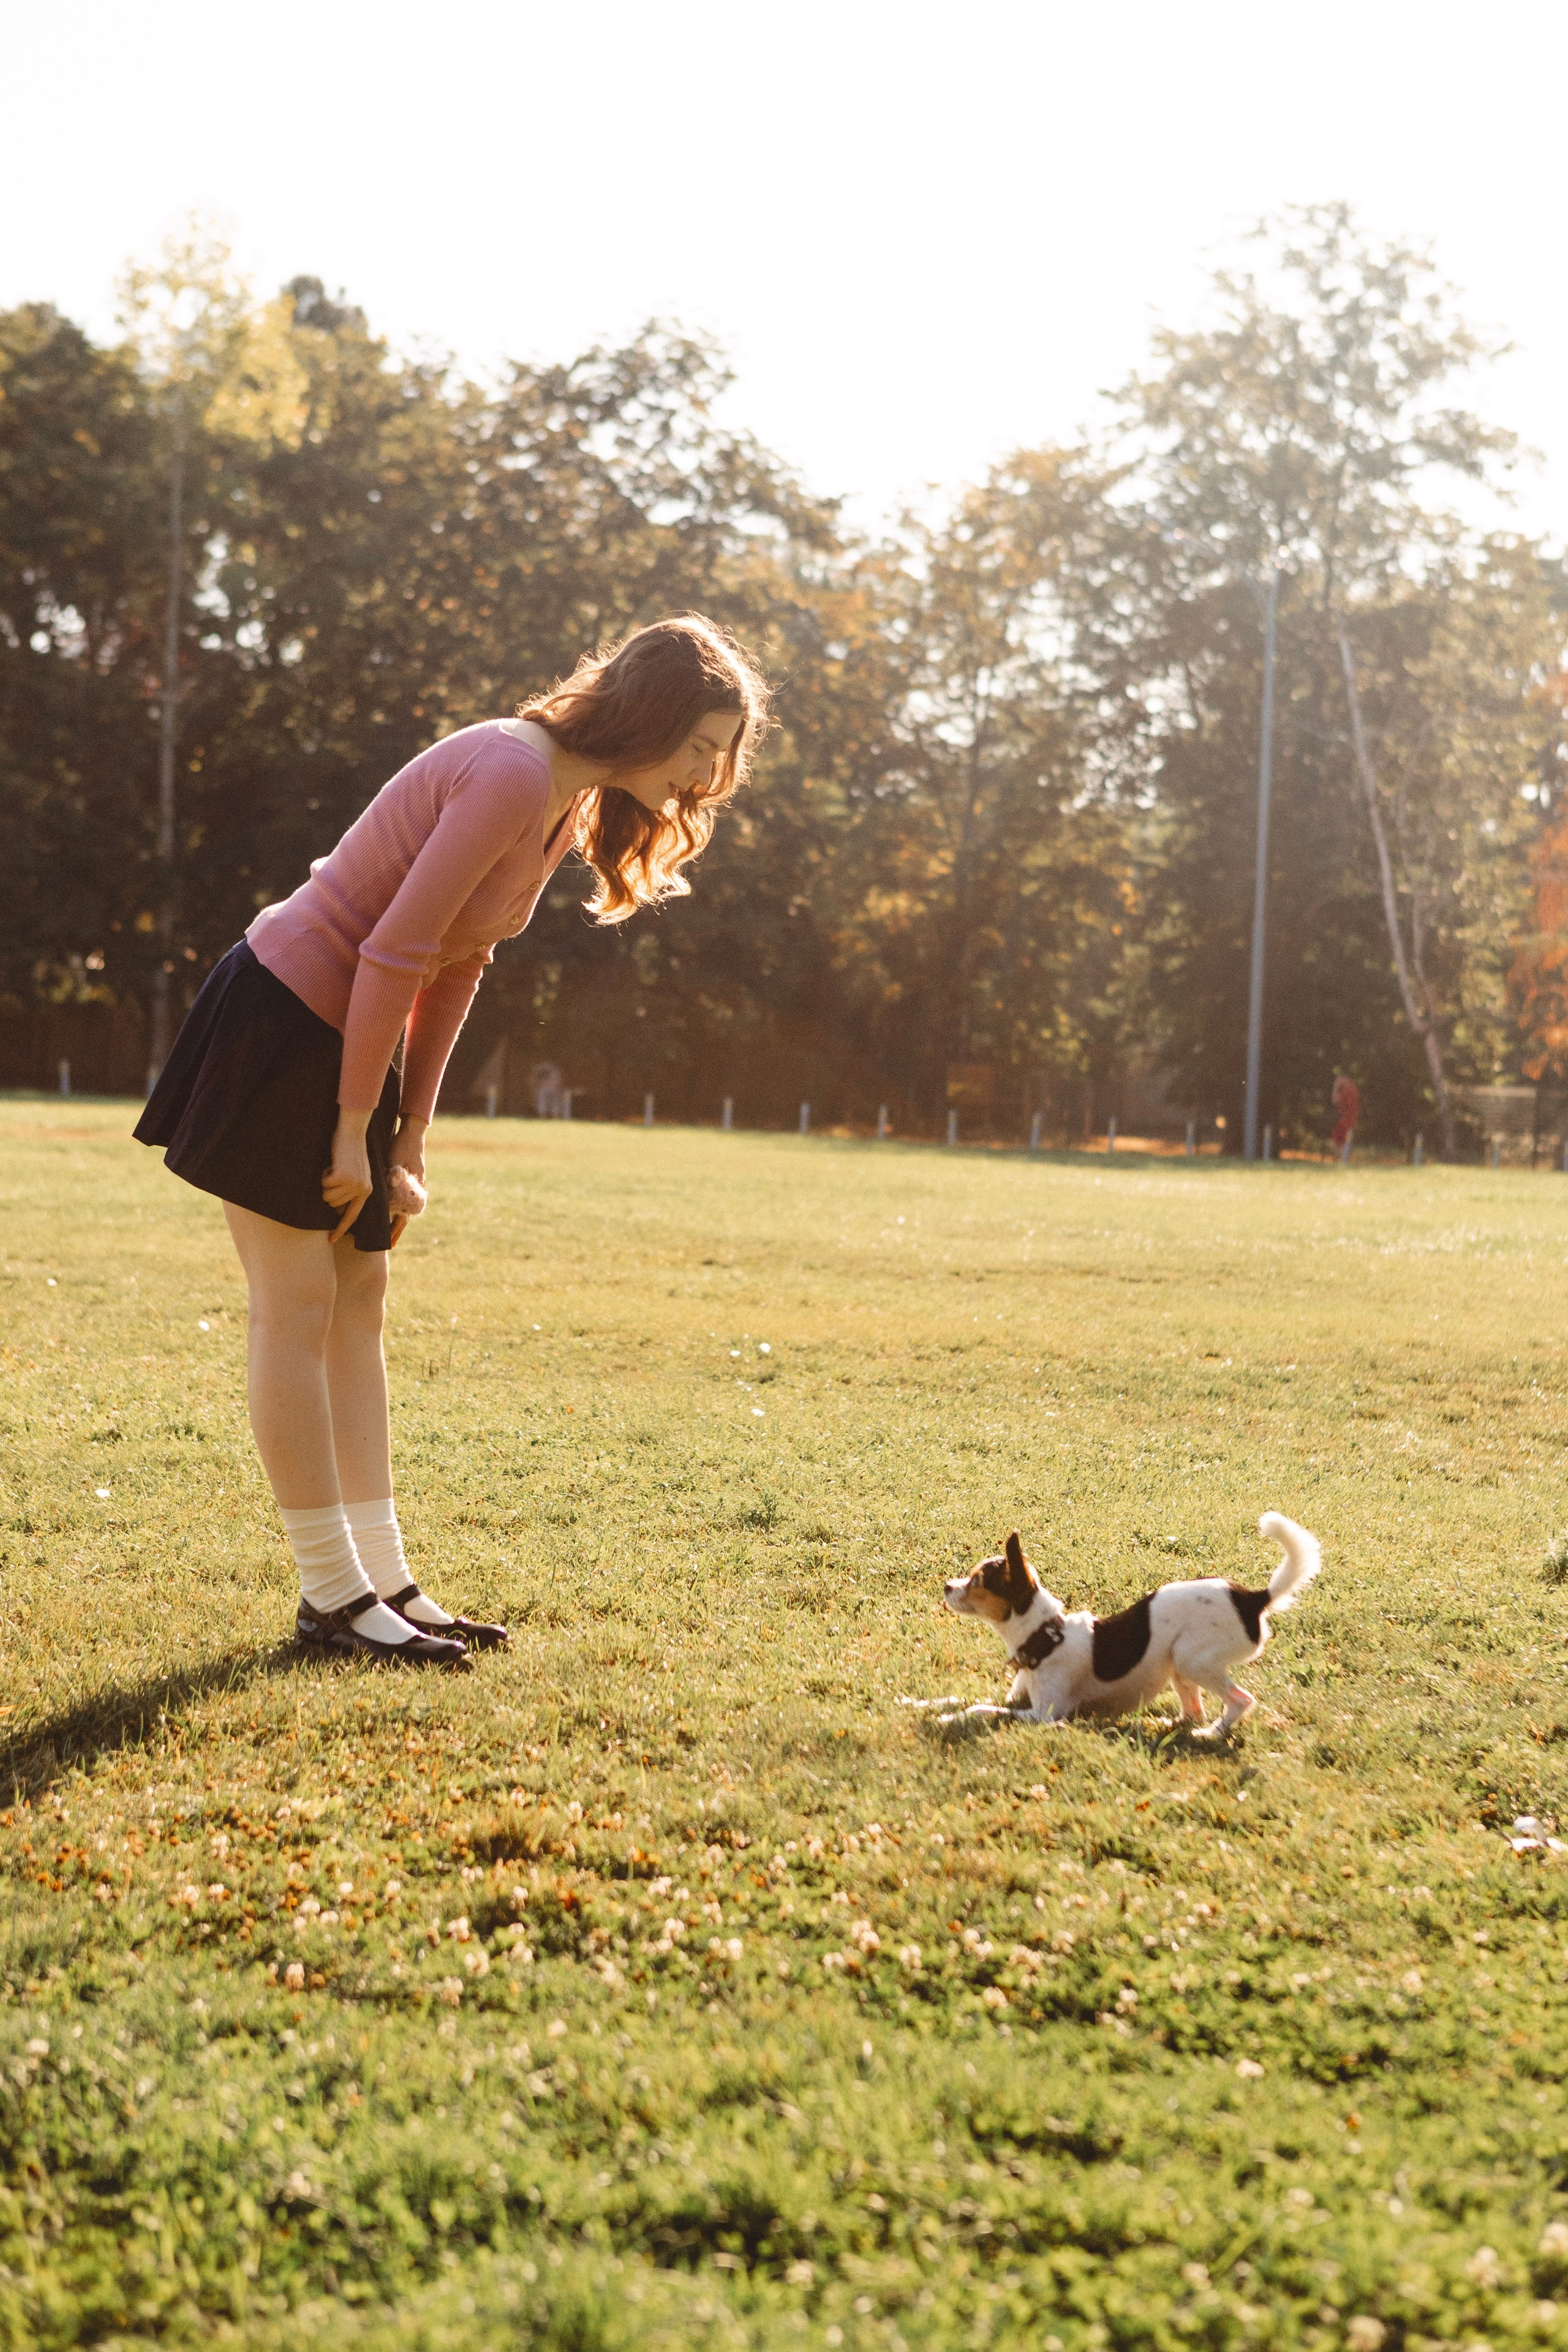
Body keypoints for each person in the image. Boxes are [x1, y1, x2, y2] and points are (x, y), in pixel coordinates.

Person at [136, 616, 769, 1667]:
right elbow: (393, 948)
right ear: (652, 716)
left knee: (360, 1298)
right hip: (282, 1018)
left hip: (350, 1035)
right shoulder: (512, 773)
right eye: (700, 745)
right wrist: (353, 1129)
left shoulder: (563, 800)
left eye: (721, 755)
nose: (707, 776)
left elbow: (459, 962)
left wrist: (409, 1137)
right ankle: (331, 1598)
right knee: (297, 1302)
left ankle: (385, 1581)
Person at [1330, 1072, 1360, 1163]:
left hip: (1343, 1121)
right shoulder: (1354, 1090)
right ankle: (1344, 1160)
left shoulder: (1344, 1091)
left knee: (1335, 1143)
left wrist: (1336, 1088)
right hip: (1351, 1121)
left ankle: (1343, 1159)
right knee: (1346, 1143)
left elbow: (1335, 1102)